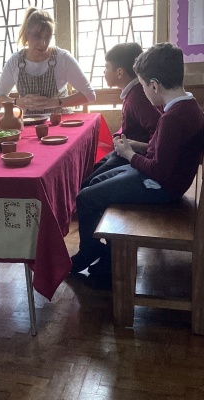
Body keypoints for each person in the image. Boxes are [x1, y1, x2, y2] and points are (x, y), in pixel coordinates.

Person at [71, 42, 204, 288]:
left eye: (142, 85)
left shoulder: (172, 118)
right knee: (95, 183)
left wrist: (129, 154)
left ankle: (96, 255)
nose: (142, 91)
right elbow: (162, 150)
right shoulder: (189, 106)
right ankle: (106, 255)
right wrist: (135, 146)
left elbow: (159, 170)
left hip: (161, 187)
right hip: (163, 179)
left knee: (85, 198)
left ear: (154, 85)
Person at [81, 43, 162, 189]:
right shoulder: (134, 92)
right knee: (90, 171)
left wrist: (140, 149)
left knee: (88, 184)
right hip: (127, 150)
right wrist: (120, 134)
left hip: (135, 157)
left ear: (119, 72)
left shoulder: (138, 96)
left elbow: (159, 129)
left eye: (106, 67)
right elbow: (133, 124)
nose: (104, 72)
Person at [0, 7, 96, 115]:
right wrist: (18, 102)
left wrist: (55, 102)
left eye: (47, 37)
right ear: (26, 34)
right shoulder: (15, 61)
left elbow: (89, 94)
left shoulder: (62, 59)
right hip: (29, 122)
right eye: (37, 36)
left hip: (60, 121)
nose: (43, 43)